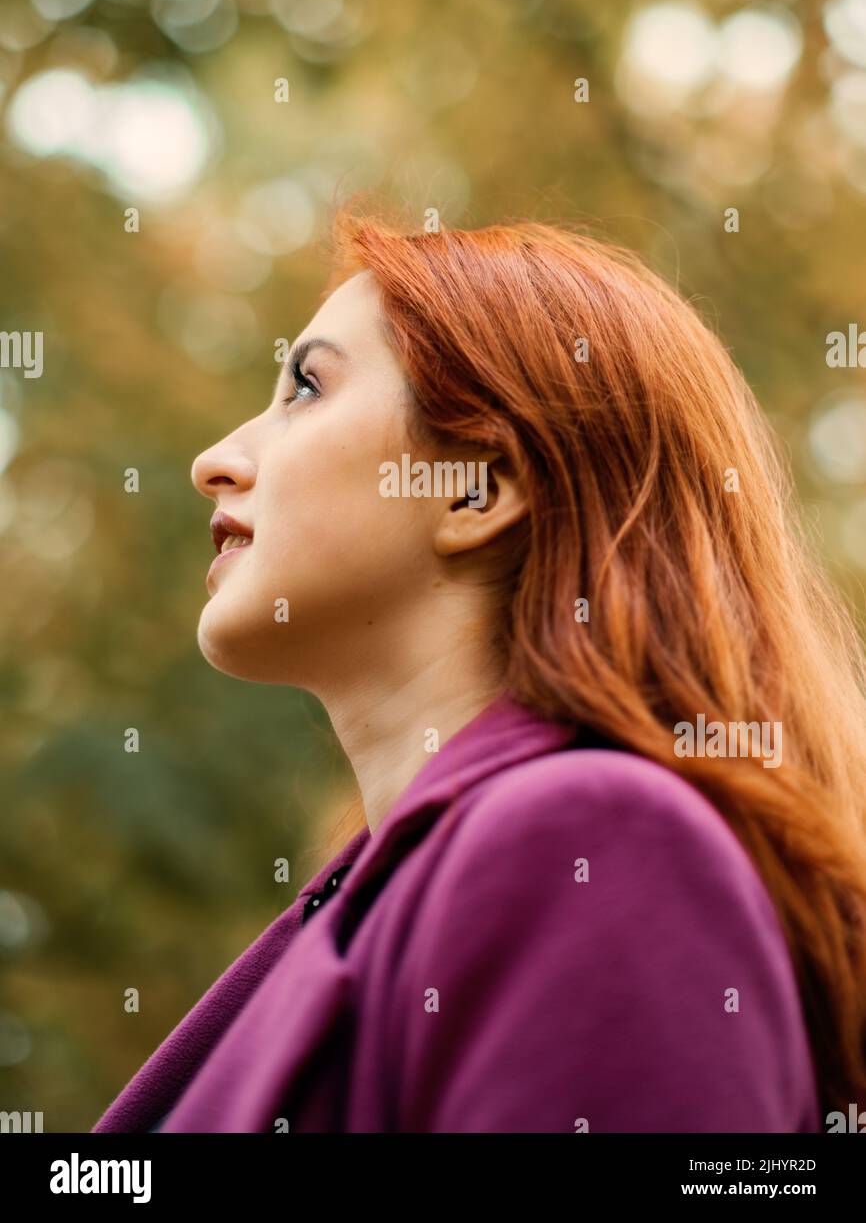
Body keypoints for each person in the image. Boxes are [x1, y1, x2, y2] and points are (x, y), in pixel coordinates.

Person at [92, 213, 866, 1133]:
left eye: (305, 387)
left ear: (473, 488)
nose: (213, 462)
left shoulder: (590, 843)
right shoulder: (383, 900)